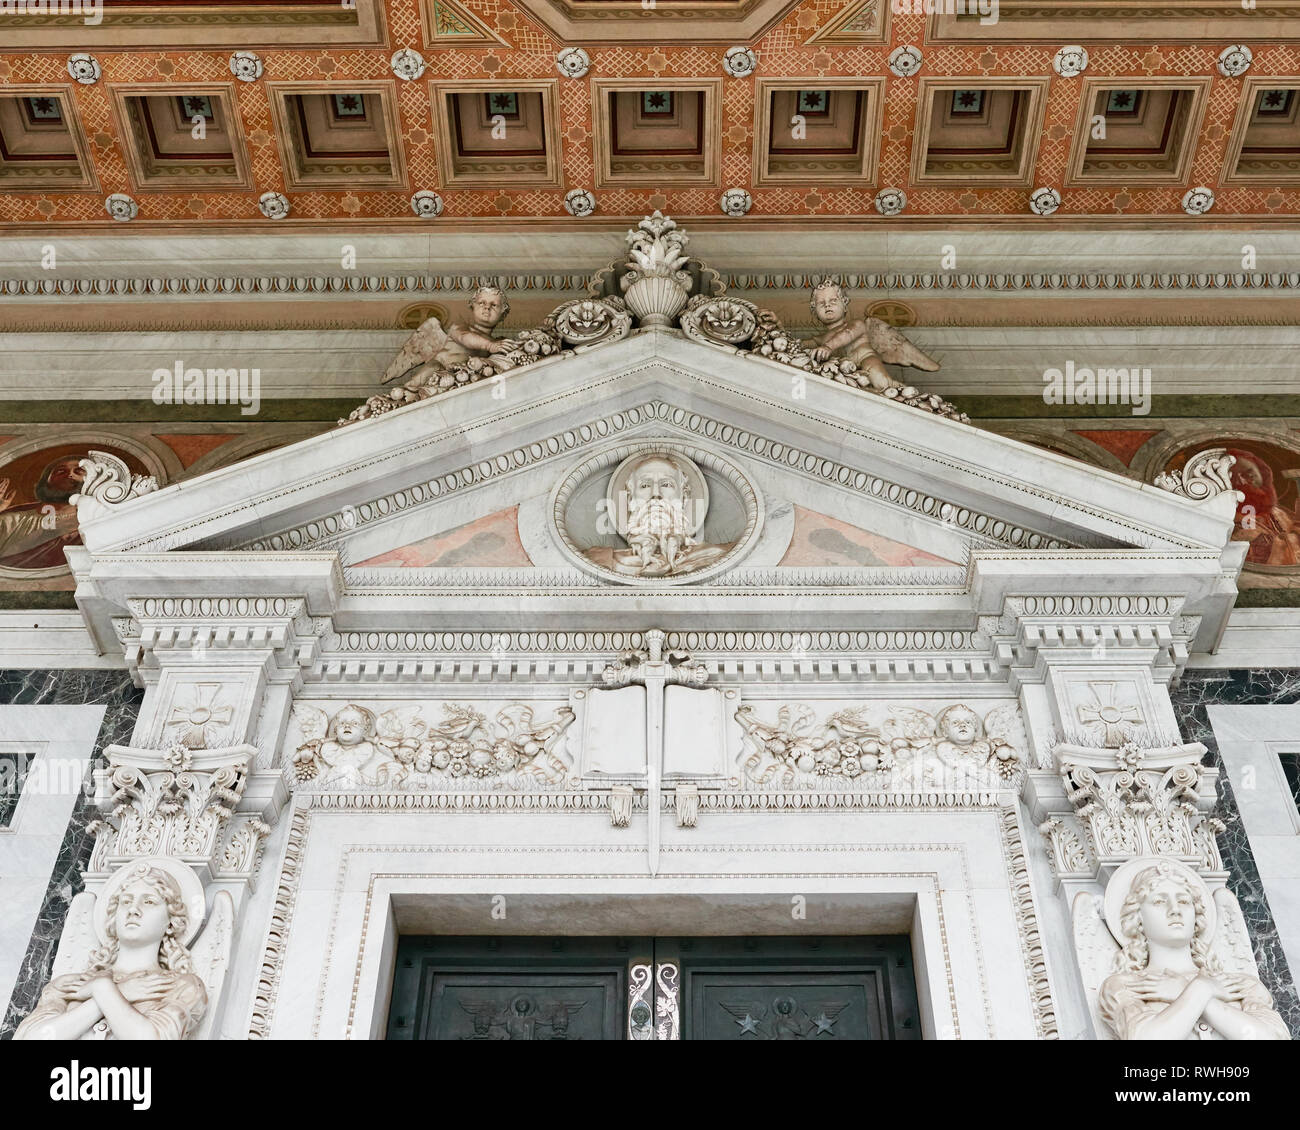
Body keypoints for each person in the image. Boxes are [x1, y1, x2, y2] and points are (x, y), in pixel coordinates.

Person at [1097, 861, 1288, 1040]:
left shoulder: (1241, 985)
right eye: (1159, 902)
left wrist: (1192, 989)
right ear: (1137, 918)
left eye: (1183, 901)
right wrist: (1201, 989)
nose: (1175, 910)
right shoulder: (1126, 986)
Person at [15, 864, 207, 1040]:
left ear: (171, 921)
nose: (133, 909)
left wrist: (102, 990)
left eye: (148, 902)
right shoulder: (68, 985)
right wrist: (113, 990)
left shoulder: (179, 986)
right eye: (126, 901)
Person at [0, 455, 86, 570]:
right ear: (46, 480)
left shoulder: (93, 520)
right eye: (60, 471)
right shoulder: (11, 521)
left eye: (79, 471)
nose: (70, 474)